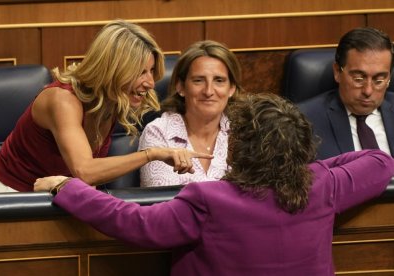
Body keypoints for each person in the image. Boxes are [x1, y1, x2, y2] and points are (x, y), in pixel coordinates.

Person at [35, 93, 394, 275]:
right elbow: (379, 161)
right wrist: (299, 167)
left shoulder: (211, 199)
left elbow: (134, 222)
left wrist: (68, 187)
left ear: (239, 145)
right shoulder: (323, 185)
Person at [0, 19, 212, 193]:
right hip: (10, 197)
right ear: (113, 68)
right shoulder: (62, 100)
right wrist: (151, 154)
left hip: (58, 192)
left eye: (151, 71)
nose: (151, 82)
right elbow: (85, 171)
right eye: (141, 72)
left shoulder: (111, 97)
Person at [138, 40, 243, 187]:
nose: (209, 91)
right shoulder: (158, 132)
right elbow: (163, 203)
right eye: (198, 80)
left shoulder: (244, 134)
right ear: (181, 86)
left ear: (231, 88)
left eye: (219, 81)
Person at [298, 27, 394, 160]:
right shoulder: (303, 121)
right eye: (358, 79)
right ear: (337, 71)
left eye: (379, 80)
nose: (368, 91)